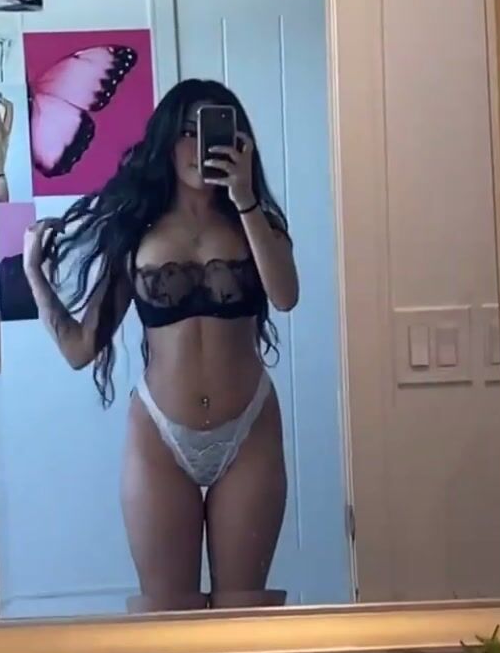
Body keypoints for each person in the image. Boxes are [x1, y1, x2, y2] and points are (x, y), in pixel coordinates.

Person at [23, 79, 299, 613]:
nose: (200, 146)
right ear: (166, 142)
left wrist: (245, 200)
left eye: (214, 132)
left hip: (248, 430)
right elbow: (80, 349)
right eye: (186, 132)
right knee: (168, 618)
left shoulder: (258, 225)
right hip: (160, 437)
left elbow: (285, 296)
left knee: (245, 613)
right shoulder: (137, 233)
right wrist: (35, 276)